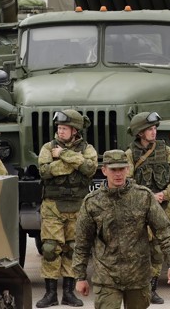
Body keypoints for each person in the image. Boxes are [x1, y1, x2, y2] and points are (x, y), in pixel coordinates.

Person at [73, 150, 170, 309]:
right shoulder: (92, 202)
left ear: (127, 169)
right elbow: (82, 241)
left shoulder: (143, 196)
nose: (118, 174)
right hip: (107, 277)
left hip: (138, 276)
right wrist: (80, 276)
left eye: (122, 169)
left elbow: (164, 231)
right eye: (113, 170)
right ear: (104, 170)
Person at [36, 109, 99, 308]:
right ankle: (50, 293)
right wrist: (74, 163)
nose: (60, 132)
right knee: (50, 249)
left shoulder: (87, 148)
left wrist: (63, 155)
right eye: (59, 128)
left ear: (75, 130)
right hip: (52, 205)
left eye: (65, 128)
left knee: (74, 249)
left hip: (78, 206)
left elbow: (90, 168)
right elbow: (44, 171)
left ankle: (69, 293)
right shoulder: (48, 147)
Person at [124, 111, 170, 302]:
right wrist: (147, 197)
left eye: (155, 128)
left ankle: (152, 288)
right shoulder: (129, 155)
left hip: (163, 207)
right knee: (139, 250)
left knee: (157, 250)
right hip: (139, 209)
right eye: (149, 129)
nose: (154, 132)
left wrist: (166, 194)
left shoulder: (166, 151)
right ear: (140, 133)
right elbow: (127, 180)